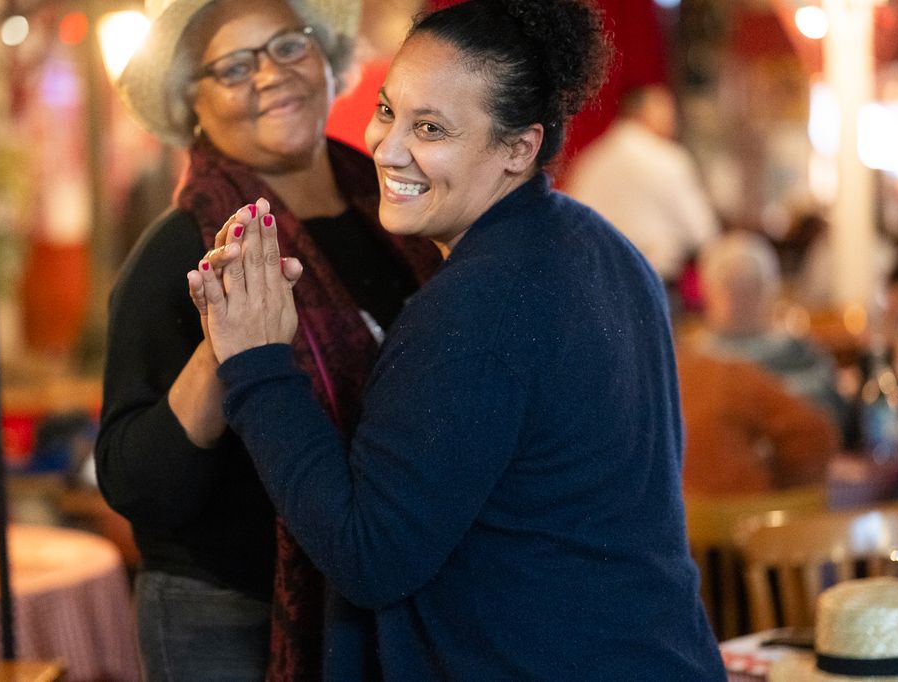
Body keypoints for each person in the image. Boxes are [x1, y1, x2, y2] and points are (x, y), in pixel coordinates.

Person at [189, 0, 725, 678]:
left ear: (518, 148)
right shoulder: (600, 245)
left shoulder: (479, 307)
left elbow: (368, 558)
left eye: (431, 127)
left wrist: (257, 363)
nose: (387, 147)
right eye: (387, 111)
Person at [93, 0, 441, 678]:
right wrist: (229, 344)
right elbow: (136, 484)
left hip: (389, 586)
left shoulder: (399, 205)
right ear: (190, 104)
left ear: (327, 59)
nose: (269, 75)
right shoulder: (178, 254)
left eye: (287, 46)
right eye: (232, 66)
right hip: (226, 610)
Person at [564, 84, 720, 311]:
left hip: (594, 288)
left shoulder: (591, 162)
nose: (673, 120)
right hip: (652, 283)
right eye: (668, 110)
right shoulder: (668, 159)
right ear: (647, 113)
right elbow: (703, 232)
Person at [694, 230, 846, 429]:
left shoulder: (796, 351)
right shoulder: (696, 361)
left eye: (749, 288)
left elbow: (831, 411)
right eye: (731, 287)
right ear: (708, 292)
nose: (739, 301)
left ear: (768, 291)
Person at [677, 350, 838, 496]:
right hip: (744, 514)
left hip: (683, 518)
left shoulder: (710, 373)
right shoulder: (719, 374)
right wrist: (783, 490)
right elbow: (810, 432)